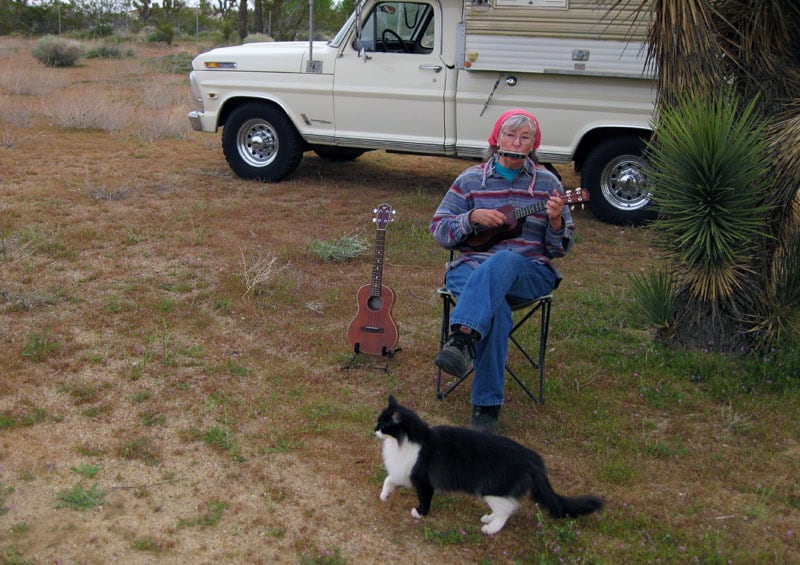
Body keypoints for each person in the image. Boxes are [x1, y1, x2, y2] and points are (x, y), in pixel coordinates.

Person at [429, 109, 574, 433]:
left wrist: (555, 221)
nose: (517, 143)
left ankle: (462, 338)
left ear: (533, 145)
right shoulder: (469, 180)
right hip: (469, 269)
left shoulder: (548, 183)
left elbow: (559, 249)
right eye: (510, 136)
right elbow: (439, 231)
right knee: (496, 313)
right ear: (496, 140)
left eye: (525, 138)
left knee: (504, 260)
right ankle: (486, 409)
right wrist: (472, 218)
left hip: (528, 271)